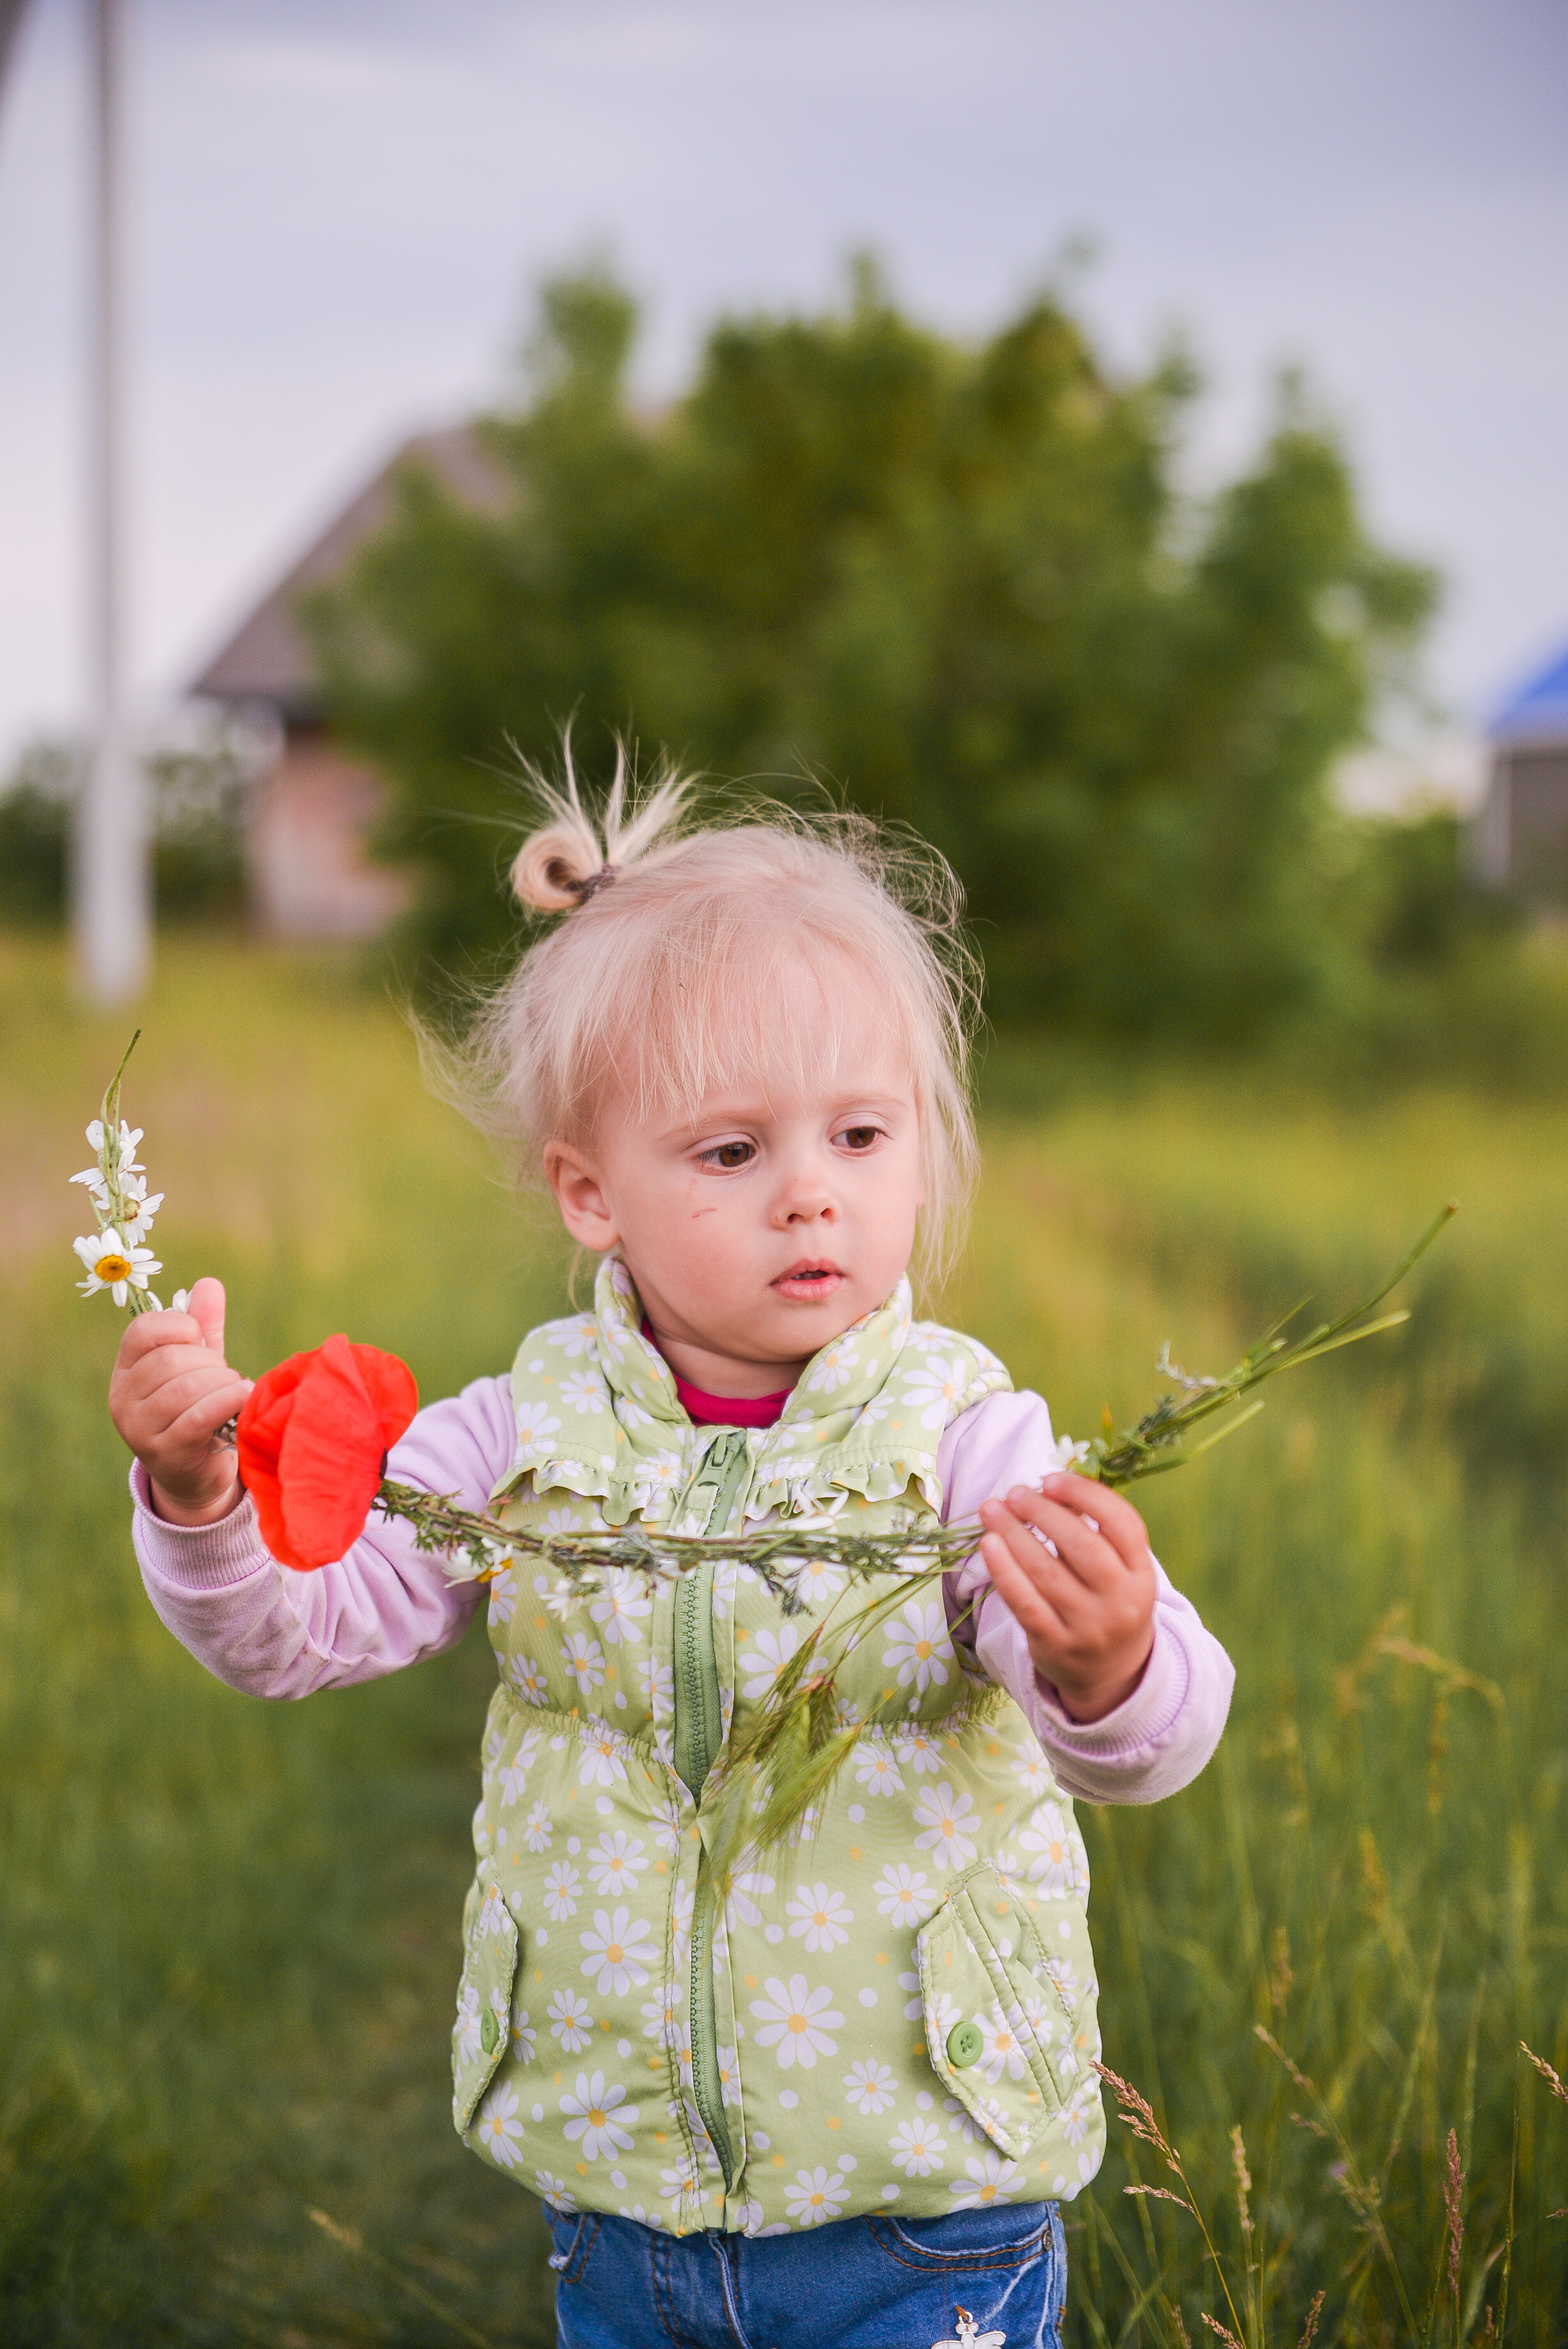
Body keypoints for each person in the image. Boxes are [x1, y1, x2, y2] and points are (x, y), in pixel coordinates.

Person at [108, 762, 1234, 2349]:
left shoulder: (962, 1437)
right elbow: (300, 1627)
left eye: (859, 1133)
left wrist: (1109, 1658)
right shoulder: (521, 1437)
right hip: (622, 2204)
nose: (810, 1196)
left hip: (922, 2197)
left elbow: (1153, 1739)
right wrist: (205, 1497)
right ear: (590, 1191)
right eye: (730, 1153)